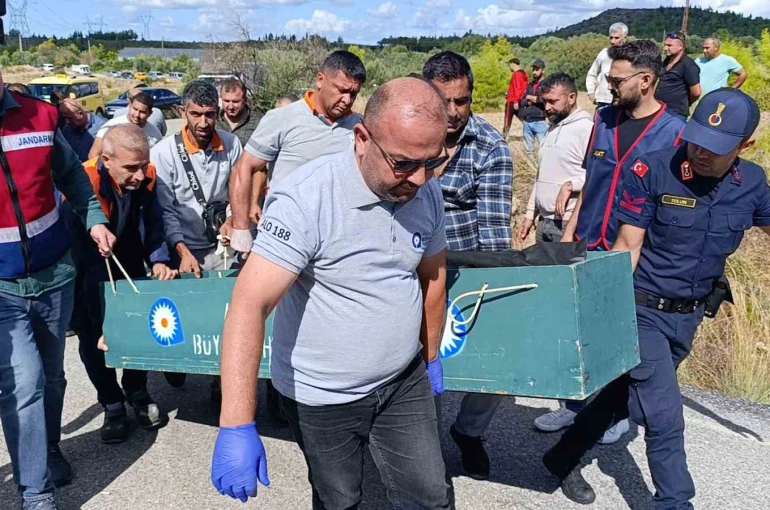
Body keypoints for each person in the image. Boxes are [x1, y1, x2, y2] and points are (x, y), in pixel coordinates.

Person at [211, 77, 451, 508]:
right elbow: (249, 305)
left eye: (431, 161)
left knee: (431, 497)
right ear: (362, 139)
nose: (418, 178)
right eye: (403, 163)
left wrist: (431, 357)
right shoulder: (307, 199)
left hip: (403, 380)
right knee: (339, 501)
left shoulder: (425, 190)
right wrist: (236, 423)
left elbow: (433, 276)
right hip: (323, 399)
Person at [545, 88, 770, 509]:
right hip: (641, 309)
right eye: (697, 139)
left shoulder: (752, 183)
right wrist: (602, 312)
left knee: (621, 399)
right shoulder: (652, 169)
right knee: (664, 416)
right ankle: (675, 501)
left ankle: (561, 456)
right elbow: (627, 247)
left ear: (745, 146)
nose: (701, 152)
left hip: (689, 317)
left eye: (716, 147)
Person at [536, 41, 686, 446]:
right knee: (576, 331)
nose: (608, 86)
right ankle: (572, 407)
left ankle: (614, 412)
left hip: (633, 253)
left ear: (646, 80)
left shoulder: (675, 133)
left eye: (617, 80)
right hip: (587, 242)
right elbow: (591, 180)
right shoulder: (603, 120)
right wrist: (569, 234)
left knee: (618, 336)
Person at [0, 71, 114, 510]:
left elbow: (71, 176)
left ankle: (47, 447)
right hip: (3, 290)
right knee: (23, 383)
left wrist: (95, 219)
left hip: (54, 276)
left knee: (51, 377)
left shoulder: (41, 117)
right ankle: (37, 493)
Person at [422, 51, 513, 481]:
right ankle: (424, 449)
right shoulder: (408, 135)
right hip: (411, 269)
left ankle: (469, 432)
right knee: (420, 367)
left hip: (467, 270)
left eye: (463, 100)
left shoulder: (491, 148)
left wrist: (493, 294)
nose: (455, 111)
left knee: (496, 362)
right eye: (445, 101)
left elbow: (494, 235)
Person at [66, 125, 176, 444]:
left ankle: (137, 391)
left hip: (128, 259)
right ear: (107, 160)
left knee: (137, 330)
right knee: (92, 341)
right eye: (130, 168)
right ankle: (112, 405)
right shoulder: (81, 180)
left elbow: (154, 222)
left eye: (143, 165)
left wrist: (158, 258)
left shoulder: (146, 176)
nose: (139, 175)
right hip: (85, 267)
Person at [227, 50, 366, 254]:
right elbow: (244, 168)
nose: (347, 100)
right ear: (320, 80)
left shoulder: (359, 127)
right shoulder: (283, 118)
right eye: (341, 90)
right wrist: (240, 227)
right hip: (284, 237)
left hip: (335, 241)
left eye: (353, 94)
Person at [153, 80, 242, 277]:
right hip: (184, 251)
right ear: (183, 112)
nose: (203, 123)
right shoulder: (163, 153)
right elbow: (166, 211)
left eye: (209, 114)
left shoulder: (232, 144)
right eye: (196, 114)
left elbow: (238, 194)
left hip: (224, 247)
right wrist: (183, 252)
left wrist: (231, 220)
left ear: (218, 113)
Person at [520, 73, 592, 243]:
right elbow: (541, 176)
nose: (547, 107)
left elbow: (599, 175)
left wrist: (571, 185)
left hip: (567, 224)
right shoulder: (551, 129)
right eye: (545, 101)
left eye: (553, 102)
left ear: (571, 98)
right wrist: (530, 215)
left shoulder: (587, 129)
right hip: (543, 222)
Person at [89, 92, 162, 159]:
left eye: (142, 112)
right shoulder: (111, 126)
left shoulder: (155, 134)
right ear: (130, 105)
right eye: (135, 109)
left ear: (150, 113)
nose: (137, 115)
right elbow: (93, 155)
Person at [655, 32, 701, 119]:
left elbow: (696, 92)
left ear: (681, 46)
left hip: (675, 114)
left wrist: (686, 102)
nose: (665, 48)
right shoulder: (666, 61)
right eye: (665, 45)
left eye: (669, 45)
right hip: (660, 110)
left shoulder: (688, 65)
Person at [586, 23, 629, 109]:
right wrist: (591, 92)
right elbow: (592, 73)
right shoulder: (604, 53)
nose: (612, 41)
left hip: (623, 102)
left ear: (624, 38)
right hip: (603, 101)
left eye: (616, 38)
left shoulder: (630, 55)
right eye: (611, 38)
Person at [216, 78, 262, 149]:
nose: (231, 106)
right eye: (226, 101)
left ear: (245, 100)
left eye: (235, 101)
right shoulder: (215, 119)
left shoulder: (258, 123)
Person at [519, 59, 547, 161]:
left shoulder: (547, 85)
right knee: (528, 151)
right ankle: (530, 167)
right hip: (527, 121)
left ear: (543, 70)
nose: (534, 72)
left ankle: (542, 167)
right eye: (533, 69)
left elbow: (544, 100)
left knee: (543, 148)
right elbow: (522, 101)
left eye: (537, 69)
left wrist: (530, 98)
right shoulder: (530, 85)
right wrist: (531, 99)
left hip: (540, 121)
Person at [503, 57, 529, 139]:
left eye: (509, 66)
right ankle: (530, 133)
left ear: (512, 65)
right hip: (522, 100)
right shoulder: (525, 74)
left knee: (507, 120)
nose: (509, 68)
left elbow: (517, 88)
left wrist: (515, 101)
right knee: (523, 118)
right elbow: (524, 88)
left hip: (513, 100)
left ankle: (504, 137)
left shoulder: (516, 74)